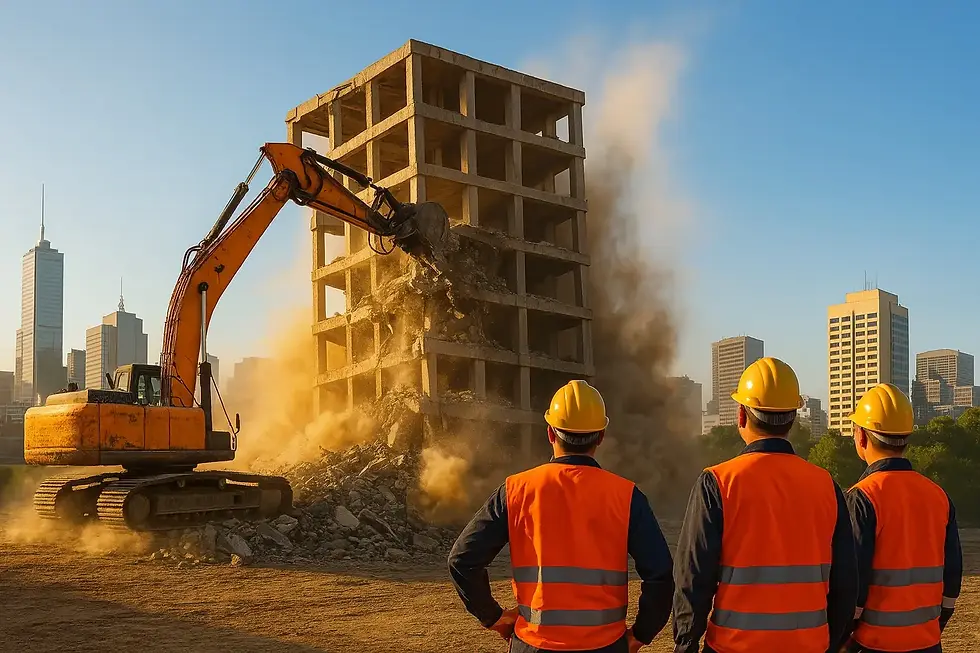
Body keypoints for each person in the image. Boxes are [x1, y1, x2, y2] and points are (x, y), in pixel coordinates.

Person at [448, 380, 675, 652]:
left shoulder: (516, 490)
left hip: (533, 645)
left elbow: (462, 560)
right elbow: (661, 575)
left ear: (550, 434)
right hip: (605, 646)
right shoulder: (626, 496)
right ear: (601, 436)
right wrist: (641, 633)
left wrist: (493, 616)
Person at [672, 357, 858, 653]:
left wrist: (685, 643)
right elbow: (846, 584)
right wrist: (828, 643)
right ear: (793, 419)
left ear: (741, 415)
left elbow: (692, 578)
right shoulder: (827, 486)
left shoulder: (717, 482)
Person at [842, 383, 963, 653]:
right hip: (927, 643)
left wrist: (843, 642)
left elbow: (853, 586)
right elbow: (952, 582)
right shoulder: (938, 496)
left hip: (871, 645)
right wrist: (932, 628)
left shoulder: (862, 497)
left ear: (861, 436)